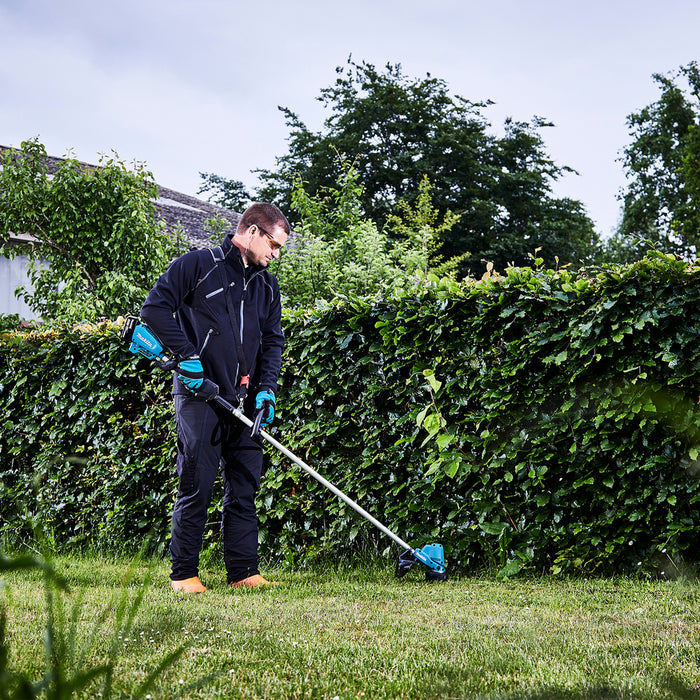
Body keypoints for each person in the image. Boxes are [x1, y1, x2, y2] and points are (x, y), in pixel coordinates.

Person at [140, 202, 290, 592]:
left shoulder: (266, 284)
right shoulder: (198, 264)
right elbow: (154, 310)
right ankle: (184, 574)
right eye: (274, 245)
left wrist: (266, 391)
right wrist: (187, 358)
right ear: (254, 231)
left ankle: (244, 572)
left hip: (245, 401)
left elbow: (272, 341)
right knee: (197, 483)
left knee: (244, 484)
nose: (276, 255)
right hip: (199, 396)